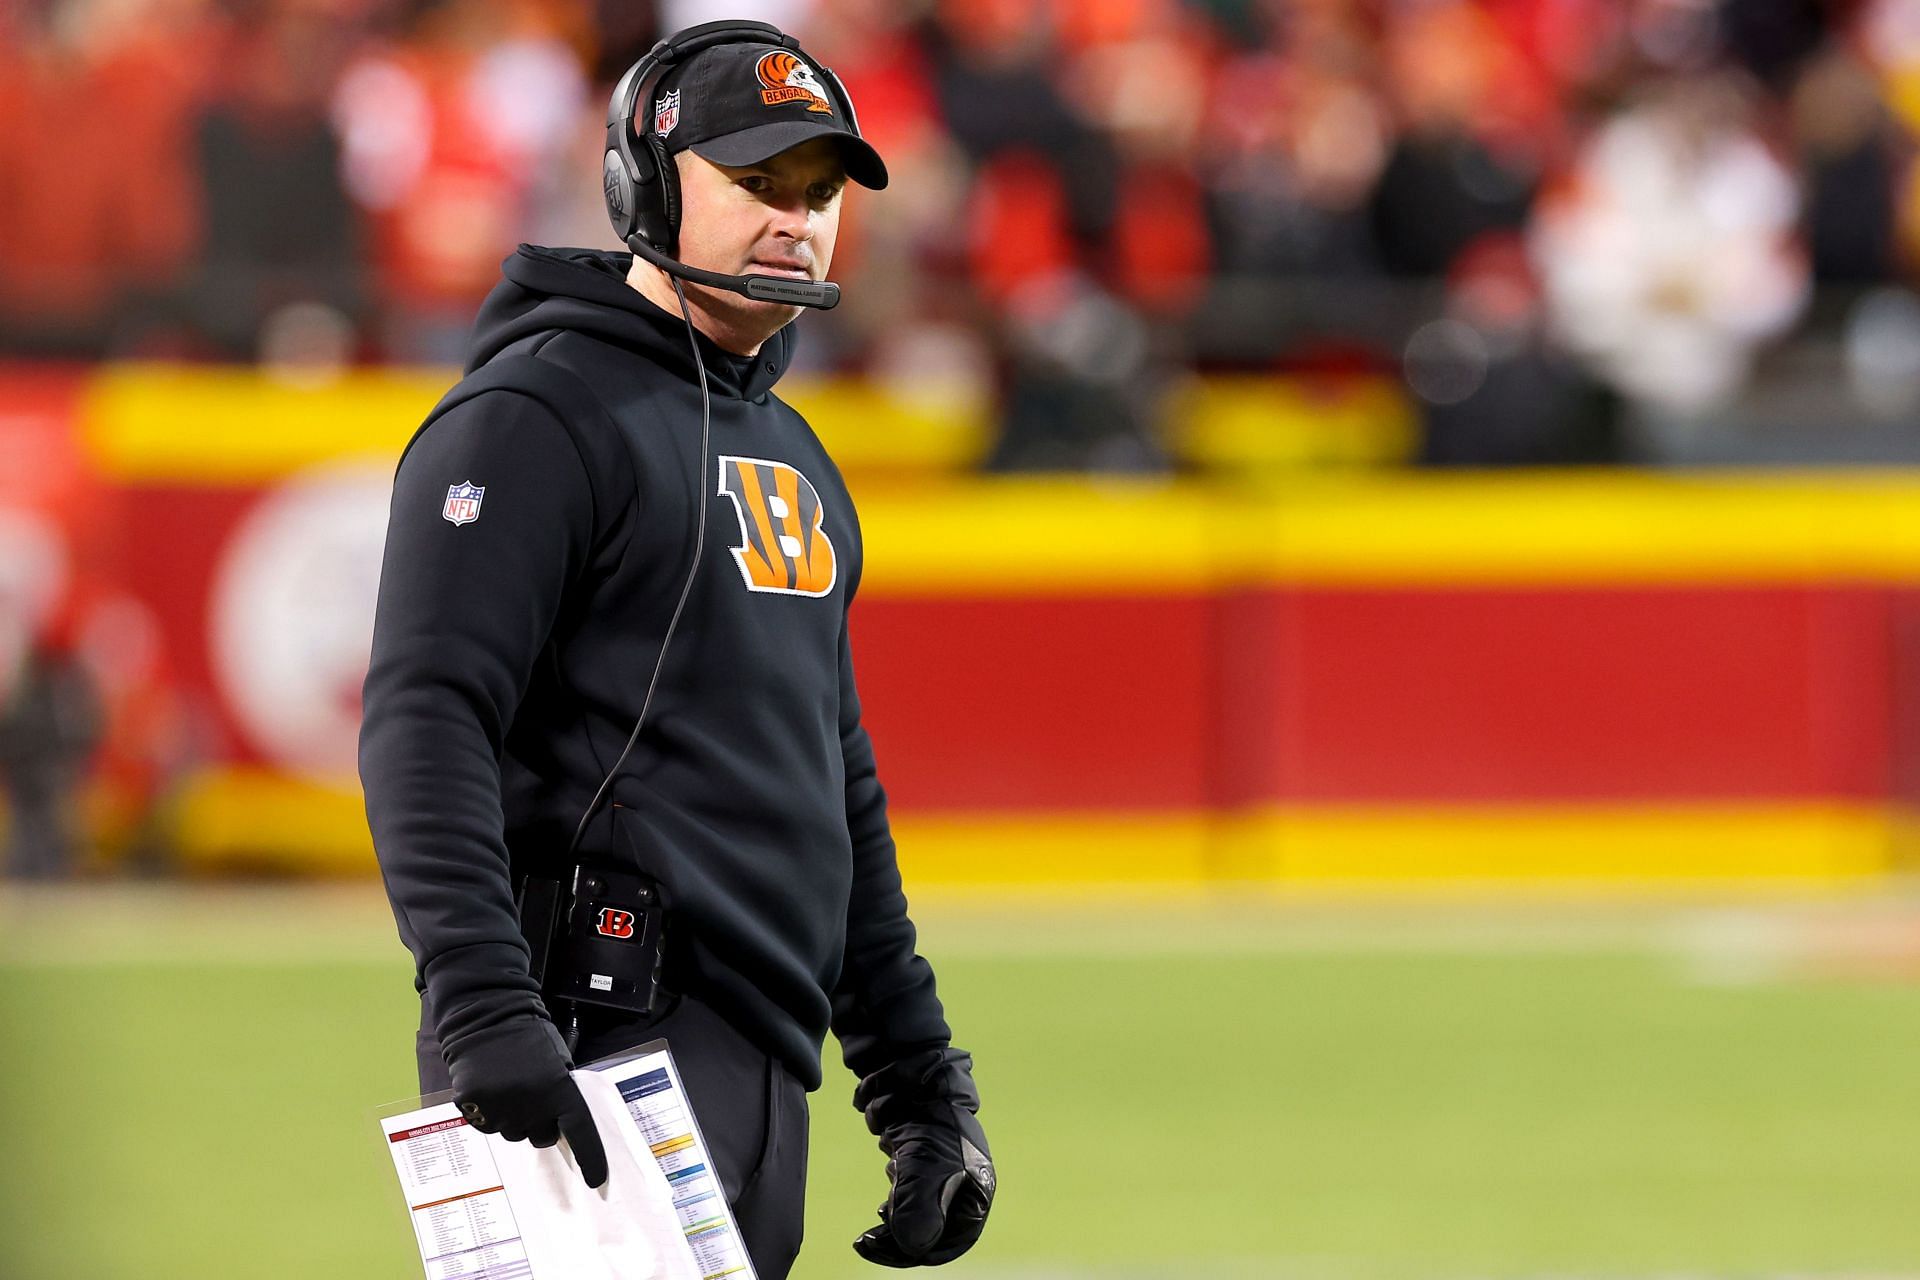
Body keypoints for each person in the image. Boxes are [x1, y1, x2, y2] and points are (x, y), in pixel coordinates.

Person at [358, 20, 994, 1277]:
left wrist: (918, 1078)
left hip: (755, 1064)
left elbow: (832, 776)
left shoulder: (799, 456)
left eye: (817, 193)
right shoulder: (534, 415)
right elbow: (426, 716)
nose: (795, 220)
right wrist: (484, 1002)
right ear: (642, 185)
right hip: (584, 1040)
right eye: (755, 182)